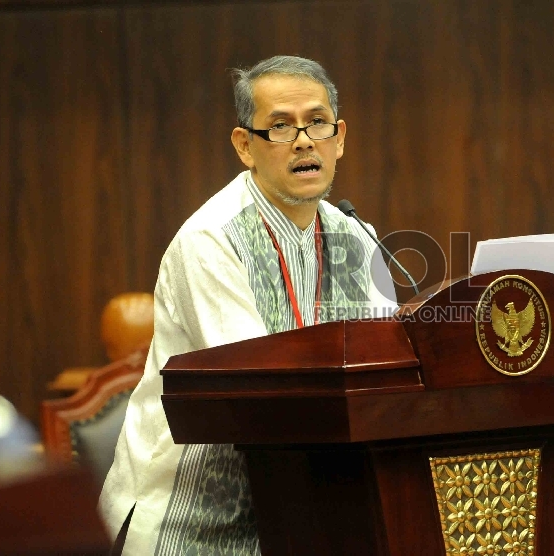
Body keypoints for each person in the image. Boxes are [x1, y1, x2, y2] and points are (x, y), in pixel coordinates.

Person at [99, 55, 397, 555]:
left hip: (309, 511)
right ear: (245, 146)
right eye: (279, 127)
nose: (304, 141)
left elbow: (387, 370)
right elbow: (257, 396)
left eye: (317, 123)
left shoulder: (356, 238)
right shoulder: (210, 241)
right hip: (193, 516)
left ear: (339, 138)